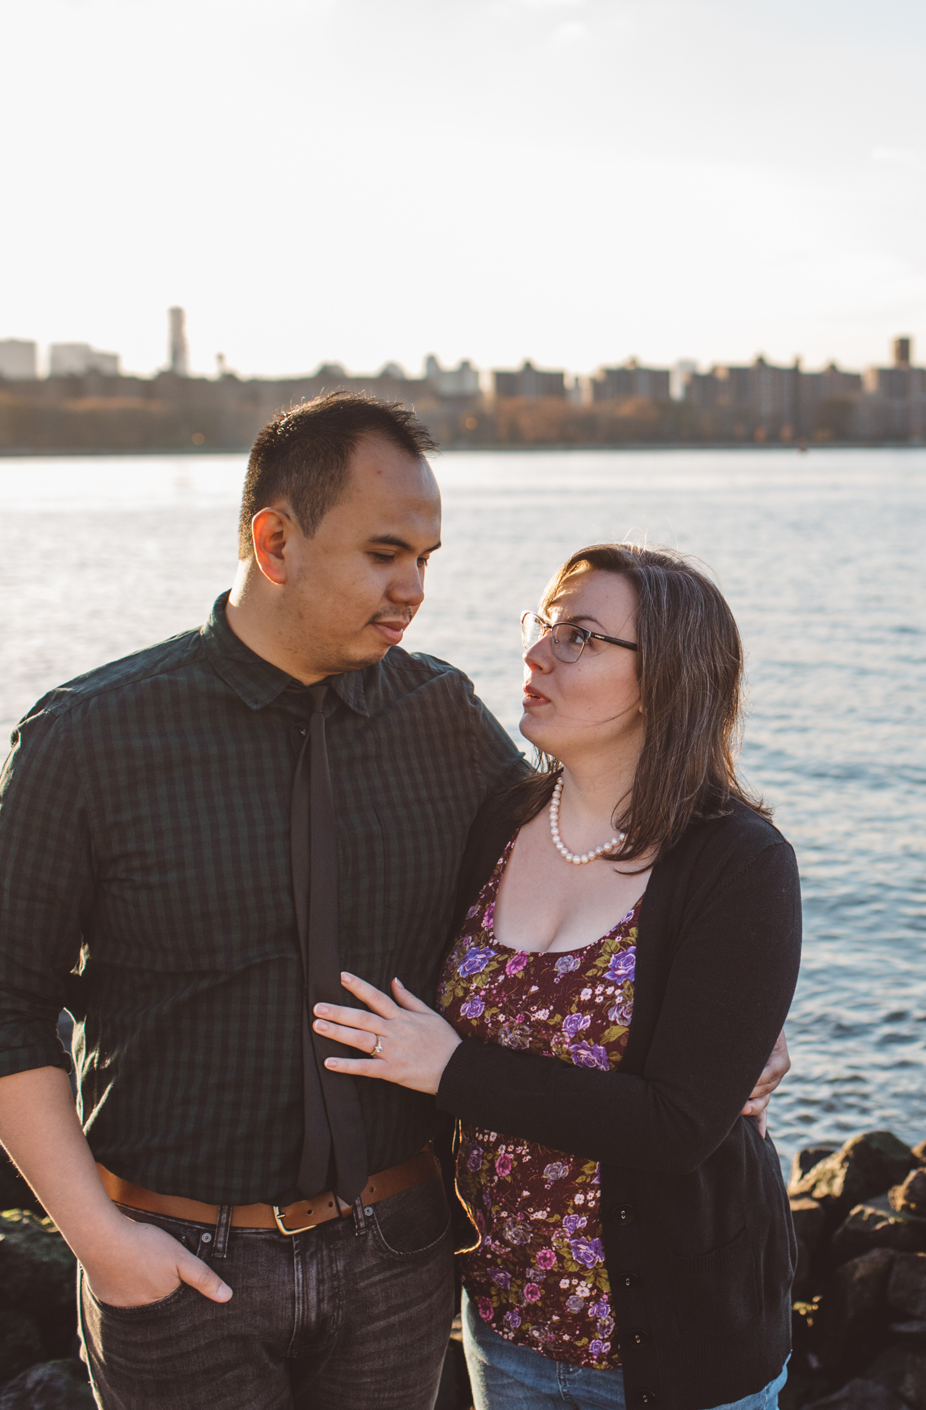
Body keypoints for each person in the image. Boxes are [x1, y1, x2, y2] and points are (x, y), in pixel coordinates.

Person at [0, 396, 788, 1409]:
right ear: (275, 541)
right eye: (387, 552)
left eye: (428, 557)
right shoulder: (89, 736)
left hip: (404, 1256)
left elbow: (610, 866)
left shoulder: (441, 719)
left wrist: (740, 1036)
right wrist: (104, 1244)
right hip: (179, 1262)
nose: (414, 588)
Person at [310, 542, 800, 1410]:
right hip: (503, 1328)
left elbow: (678, 1125)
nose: (536, 652)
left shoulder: (737, 861)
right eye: (542, 623)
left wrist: (452, 1068)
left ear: (665, 678)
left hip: (677, 1349)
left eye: (579, 635)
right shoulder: (499, 818)